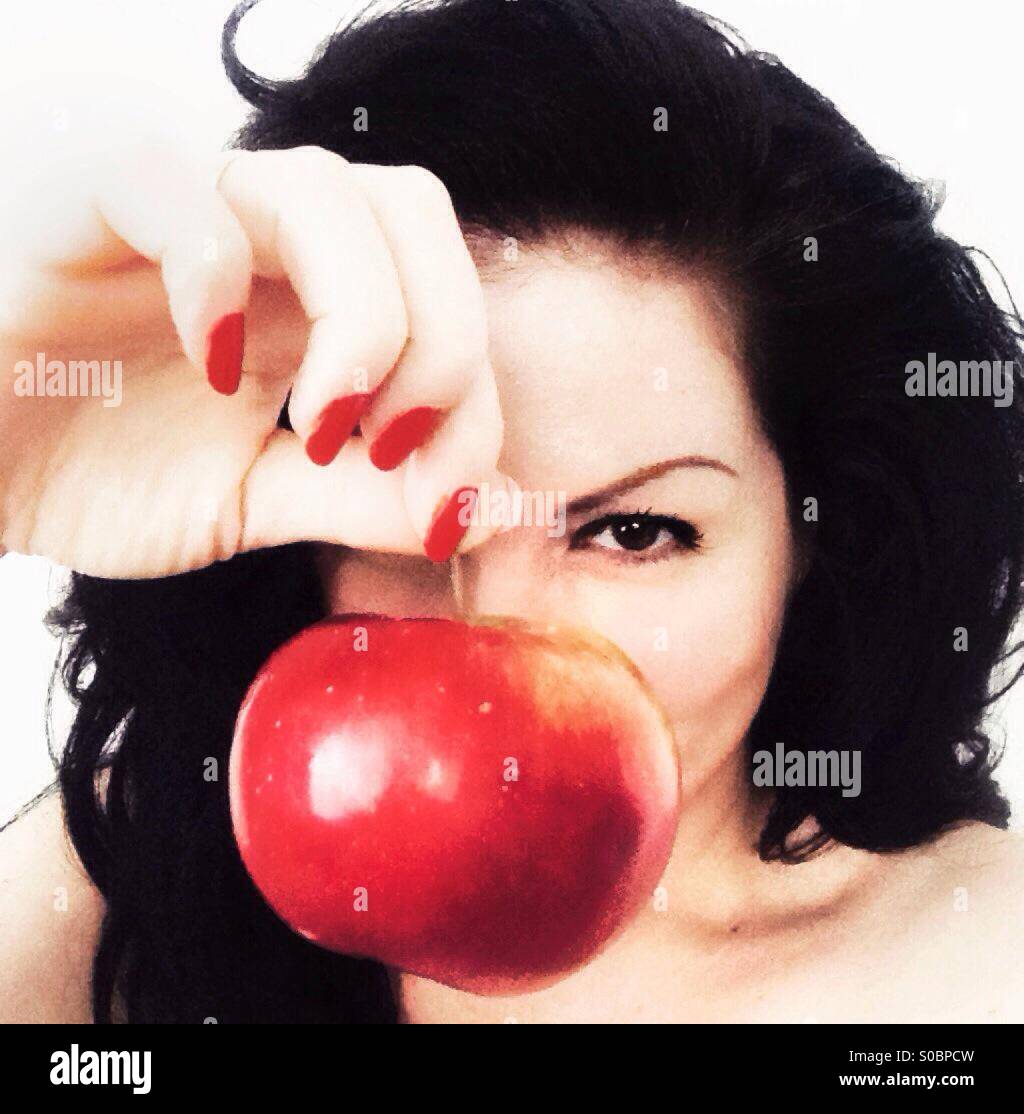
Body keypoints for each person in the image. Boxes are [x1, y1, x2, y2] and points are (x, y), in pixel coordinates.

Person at [1, 0, 1022, 1023]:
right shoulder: (141, 851)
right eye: (410, 506)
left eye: (634, 530)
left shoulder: (976, 971)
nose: (495, 611)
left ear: (816, 537)